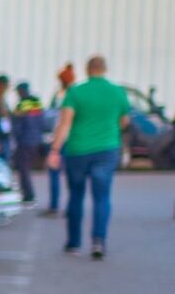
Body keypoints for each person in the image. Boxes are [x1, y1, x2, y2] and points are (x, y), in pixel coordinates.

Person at [49, 55, 131, 259]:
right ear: (105, 69)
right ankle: (98, 241)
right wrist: (110, 131)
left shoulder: (75, 92)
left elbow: (65, 123)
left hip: (78, 150)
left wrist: (55, 150)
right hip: (107, 149)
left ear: (87, 70)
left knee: (76, 196)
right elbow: (125, 121)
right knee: (102, 197)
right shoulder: (118, 92)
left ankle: (74, 243)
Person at [10, 81, 47, 206]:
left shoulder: (22, 104)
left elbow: (17, 124)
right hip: (35, 140)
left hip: (25, 141)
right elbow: (42, 121)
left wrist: (16, 137)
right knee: (27, 168)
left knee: (23, 169)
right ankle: (28, 195)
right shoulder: (37, 102)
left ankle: (28, 195)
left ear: (21, 91)